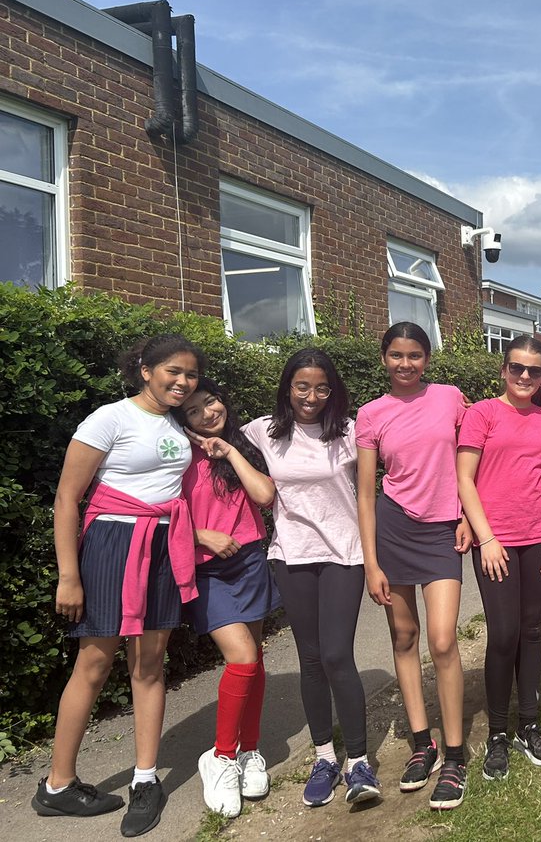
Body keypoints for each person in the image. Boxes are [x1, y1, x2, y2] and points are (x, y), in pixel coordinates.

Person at [34, 334, 204, 837]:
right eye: (173, 371)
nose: (182, 381)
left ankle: (146, 778)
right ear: (145, 369)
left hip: (163, 546)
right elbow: (68, 498)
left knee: (151, 662)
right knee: (94, 661)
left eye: (191, 375)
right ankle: (57, 786)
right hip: (113, 545)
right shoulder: (110, 418)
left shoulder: (177, 422)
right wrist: (69, 575)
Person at [244, 348, 375, 809]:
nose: (312, 396)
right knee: (312, 658)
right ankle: (324, 757)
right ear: (287, 387)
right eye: (302, 386)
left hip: (345, 553)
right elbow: (205, 432)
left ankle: (358, 762)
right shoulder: (263, 432)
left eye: (322, 387)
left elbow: (387, 475)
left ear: (333, 390)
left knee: (338, 654)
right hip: (291, 556)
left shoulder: (351, 432)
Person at [356, 323, 471, 811]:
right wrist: (370, 562)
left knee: (443, 639)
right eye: (397, 355)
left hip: (443, 528)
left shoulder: (451, 398)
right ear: (384, 358)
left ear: (428, 357)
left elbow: (471, 461)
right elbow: (364, 492)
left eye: (415, 355)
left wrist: (468, 514)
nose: (406, 364)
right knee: (405, 638)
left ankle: (455, 755)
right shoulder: (370, 413)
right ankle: (421, 742)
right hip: (393, 529)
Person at [457, 335, 541, 781]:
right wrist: (486, 538)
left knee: (532, 631)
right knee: (502, 634)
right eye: (518, 368)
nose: (525, 376)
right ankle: (499, 732)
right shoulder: (482, 414)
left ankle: (530, 723)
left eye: (535, 371)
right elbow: (466, 479)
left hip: (540, 539)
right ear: (504, 370)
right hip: (496, 542)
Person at [176, 379, 278, 818]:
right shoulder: (177, 456)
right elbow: (160, 511)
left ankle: (249, 751)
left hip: (250, 560)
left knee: (254, 657)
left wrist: (229, 451)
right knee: (241, 658)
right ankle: (219, 757)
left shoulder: (240, 446)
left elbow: (265, 496)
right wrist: (201, 535)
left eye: (211, 401)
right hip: (207, 568)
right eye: (194, 410)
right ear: (183, 420)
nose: (207, 413)